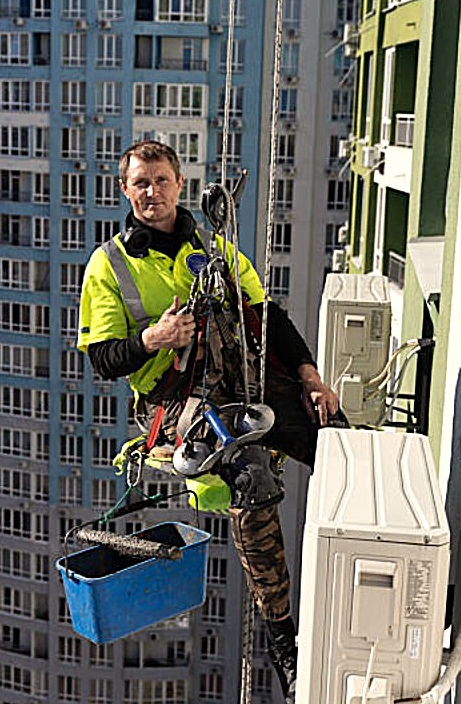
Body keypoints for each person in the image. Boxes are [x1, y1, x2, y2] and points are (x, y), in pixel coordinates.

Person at [78, 140, 339, 703]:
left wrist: (310, 375)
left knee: (336, 440)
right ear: (125, 190)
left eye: (161, 180)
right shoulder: (111, 265)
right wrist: (153, 339)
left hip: (241, 377)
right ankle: (284, 639)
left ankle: (371, 535)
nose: (152, 192)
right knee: (249, 478)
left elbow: (266, 315)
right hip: (177, 401)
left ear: (179, 184)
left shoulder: (214, 248)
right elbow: (103, 358)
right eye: (140, 182)